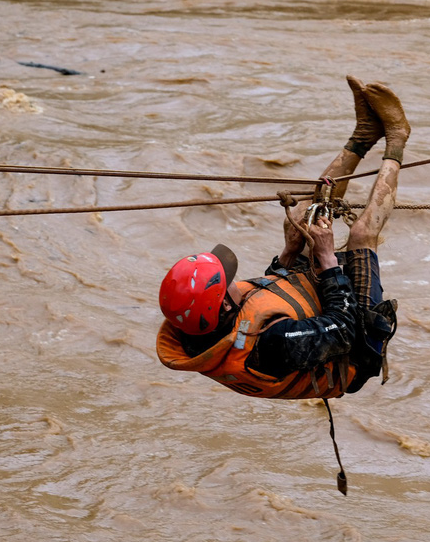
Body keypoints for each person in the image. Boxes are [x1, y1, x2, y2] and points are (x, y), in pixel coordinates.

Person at [155, 75, 410, 399]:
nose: (234, 279)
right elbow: (342, 330)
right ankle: (398, 139)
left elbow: (267, 298)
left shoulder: (208, 321)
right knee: (361, 234)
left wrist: (290, 253)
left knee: (302, 219)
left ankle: (362, 137)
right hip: (353, 347)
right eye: (225, 283)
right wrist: (328, 260)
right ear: (222, 307)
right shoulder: (275, 343)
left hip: (316, 326)